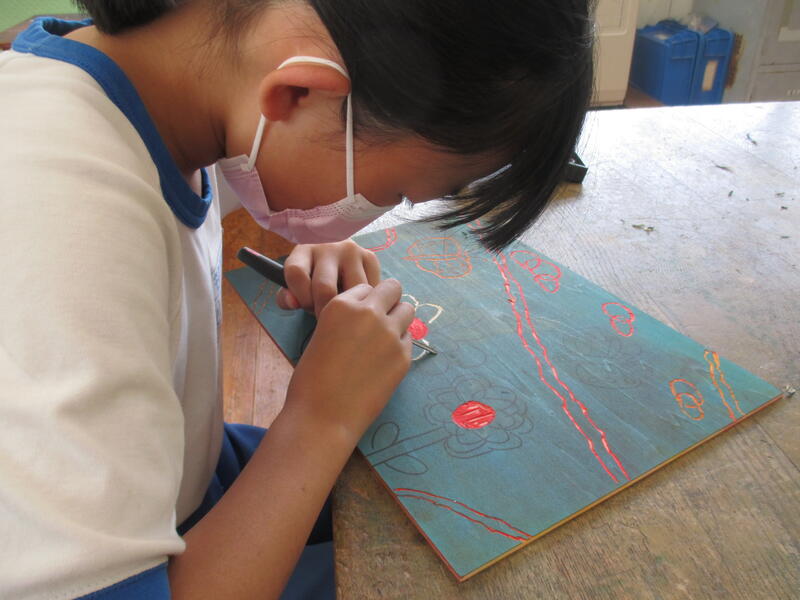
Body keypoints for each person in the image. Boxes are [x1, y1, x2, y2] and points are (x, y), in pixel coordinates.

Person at [0, 1, 594, 598]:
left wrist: (317, 236)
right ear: (297, 93)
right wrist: (321, 417)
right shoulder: (61, 212)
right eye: (396, 192)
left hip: (187, 471)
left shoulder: (173, 94)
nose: (376, 212)